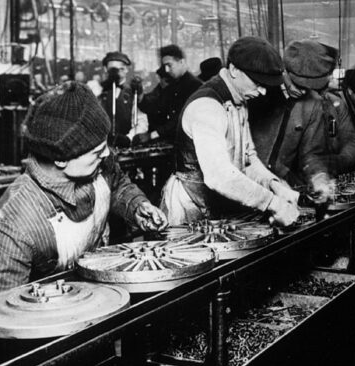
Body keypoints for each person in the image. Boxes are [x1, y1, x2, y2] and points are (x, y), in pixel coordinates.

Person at [0, 82, 167, 300]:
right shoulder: (17, 221)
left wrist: (136, 205)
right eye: (96, 151)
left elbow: (116, 182)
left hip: (99, 299)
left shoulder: (95, 162)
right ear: (61, 159)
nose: (106, 154)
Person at [160, 36, 300, 226]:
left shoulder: (240, 100)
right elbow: (220, 176)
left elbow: (248, 159)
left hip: (218, 206)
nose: (263, 91)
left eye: (266, 85)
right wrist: (273, 203)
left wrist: (274, 184)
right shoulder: (207, 106)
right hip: (190, 209)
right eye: (257, 82)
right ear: (234, 70)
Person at [249, 39, 334, 197]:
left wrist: (319, 176)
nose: (302, 92)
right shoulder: (256, 95)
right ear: (284, 71)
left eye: (308, 88)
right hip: (249, 181)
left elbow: (311, 152)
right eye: (298, 85)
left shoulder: (313, 104)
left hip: (284, 183)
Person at [135, 45, 202, 145]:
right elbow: (156, 107)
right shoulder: (172, 86)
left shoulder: (195, 86)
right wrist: (139, 94)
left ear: (182, 62)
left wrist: (151, 135)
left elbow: (179, 119)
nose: (166, 70)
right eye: (164, 66)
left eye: (169, 65)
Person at [98, 51, 148, 147]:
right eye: (113, 69)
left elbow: (142, 122)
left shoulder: (134, 92)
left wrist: (129, 137)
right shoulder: (98, 91)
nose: (118, 72)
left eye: (121, 68)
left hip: (125, 145)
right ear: (105, 69)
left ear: (126, 70)